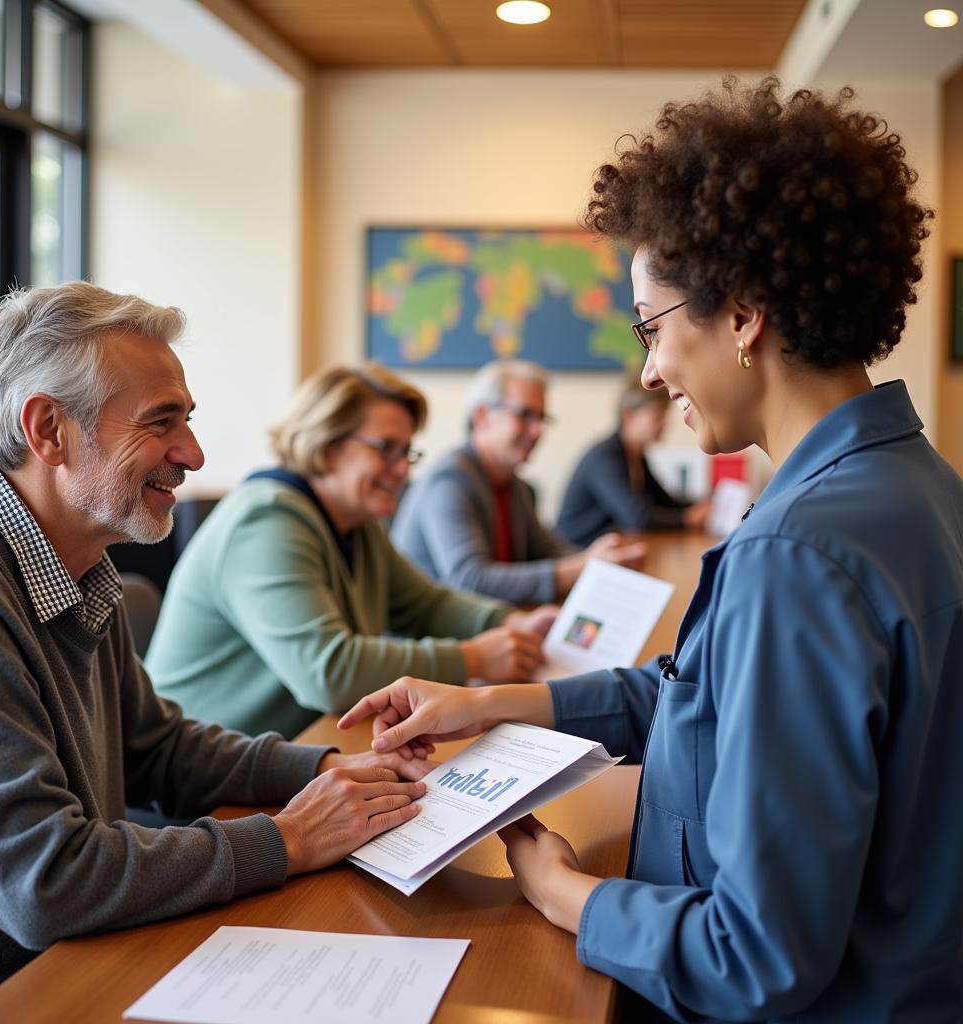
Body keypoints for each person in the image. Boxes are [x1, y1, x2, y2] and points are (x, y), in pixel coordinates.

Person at [340, 78, 963, 1022]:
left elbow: (751, 957)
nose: (647, 368)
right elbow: (700, 696)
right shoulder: (915, 488)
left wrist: (560, 892)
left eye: (651, 327)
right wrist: (489, 701)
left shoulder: (796, 554)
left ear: (744, 315)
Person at [0, 283, 432, 1021]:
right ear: (48, 431)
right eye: (160, 422)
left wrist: (327, 768)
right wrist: (289, 840)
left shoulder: (74, 560)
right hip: (1, 993)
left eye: (187, 421)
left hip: (75, 955)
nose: (193, 454)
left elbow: (158, 749)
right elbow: (45, 882)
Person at [146, 364, 553, 739]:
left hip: (287, 751)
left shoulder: (358, 523)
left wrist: (512, 622)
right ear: (325, 443)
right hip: (196, 783)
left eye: (407, 452)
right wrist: (474, 658)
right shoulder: (265, 521)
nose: (403, 470)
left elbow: (427, 606)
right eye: (386, 449)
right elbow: (330, 672)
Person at [391, 359, 645, 604]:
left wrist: (607, 561)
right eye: (524, 415)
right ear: (482, 417)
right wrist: (582, 567)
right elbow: (470, 580)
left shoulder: (511, 481)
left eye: (541, 419)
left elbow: (546, 550)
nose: (537, 431)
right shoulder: (449, 481)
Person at [556, 379, 711, 546]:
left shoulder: (634, 456)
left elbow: (665, 501)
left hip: (605, 551)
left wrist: (702, 503)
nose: (665, 423)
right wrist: (686, 519)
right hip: (574, 554)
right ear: (629, 416)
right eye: (657, 415)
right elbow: (637, 517)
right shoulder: (604, 457)